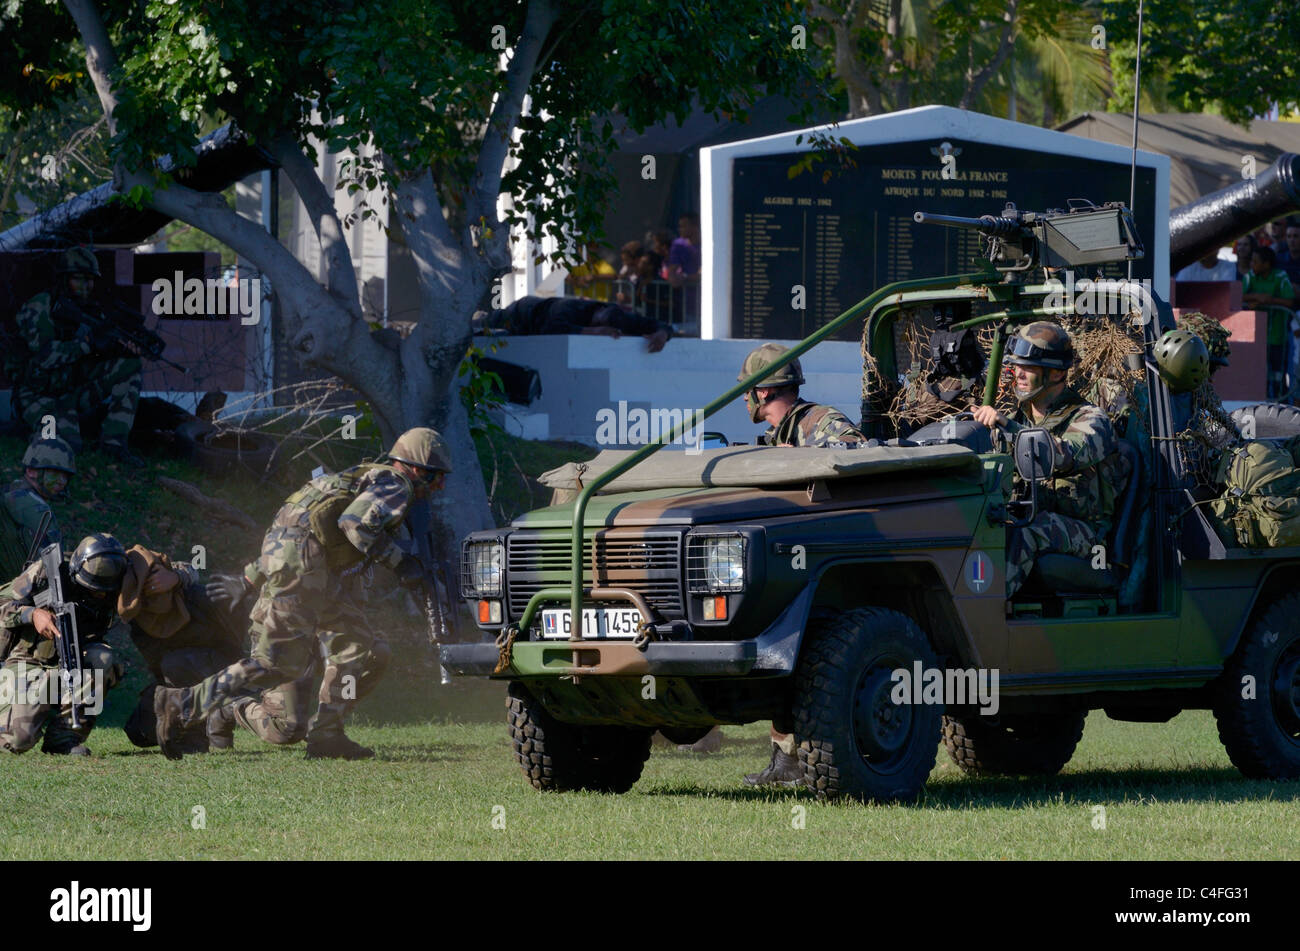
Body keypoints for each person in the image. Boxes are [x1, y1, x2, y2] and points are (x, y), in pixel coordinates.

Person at [153, 427, 452, 760]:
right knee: (274, 665)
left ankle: (327, 735)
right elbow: (355, 526)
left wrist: (251, 577)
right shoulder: (396, 484)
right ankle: (181, 704)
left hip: (310, 571)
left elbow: (292, 529)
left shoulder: (359, 477)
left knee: (356, 642)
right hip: (306, 571)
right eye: (437, 477)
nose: (440, 486)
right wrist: (402, 564)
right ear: (416, 468)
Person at [737, 343, 866, 787]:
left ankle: (794, 762)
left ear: (763, 391)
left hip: (829, 559)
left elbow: (855, 455)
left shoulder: (820, 421)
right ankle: (784, 761)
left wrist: (800, 459)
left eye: (749, 392)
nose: (745, 401)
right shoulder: (780, 434)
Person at [971, 322, 1123, 597]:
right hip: (1028, 516)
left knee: (1028, 532)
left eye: (1028, 367)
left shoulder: (1091, 419)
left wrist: (1009, 428)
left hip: (1090, 538)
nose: (1018, 374)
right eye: (1016, 366)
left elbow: (1064, 455)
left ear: (1055, 373)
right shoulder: (1018, 418)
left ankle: (987, 612)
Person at [10, 248, 144, 466]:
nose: (86, 286)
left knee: (129, 365)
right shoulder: (39, 307)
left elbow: (95, 358)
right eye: (79, 279)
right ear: (64, 279)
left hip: (71, 392)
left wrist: (120, 348)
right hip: (37, 394)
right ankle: (33, 429)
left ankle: (114, 444)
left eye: (90, 280)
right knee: (66, 447)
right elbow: (44, 357)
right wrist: (87, 344)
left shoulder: (90, 310)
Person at [0, 534, 128, 755]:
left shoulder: (121, 570)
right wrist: (32, 614)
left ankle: (64, 739)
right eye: (92, 588)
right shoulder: (46, 572)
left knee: (104, 660)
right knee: (16, 741)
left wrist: (180, 577)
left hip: (75, 657)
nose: (99, 594)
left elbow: (176, 569)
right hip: (28, 661)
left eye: (104, 591)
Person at [119, 547, 250, 755]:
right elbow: (157, 667)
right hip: (177, 679)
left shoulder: (201, 598)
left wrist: (178, 576)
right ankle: (196, 720)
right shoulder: (140, 622)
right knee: (140, 732)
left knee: (176, 663)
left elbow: (236, 639)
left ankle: (207, 730)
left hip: (224, 669)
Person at [473, 295, 671, 352]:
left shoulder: (617, 316)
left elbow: (657, 324)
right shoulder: (569, 307)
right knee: (486, 326)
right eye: (598, 321)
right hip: (523, 313)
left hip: (532, 326)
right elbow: (551, 329)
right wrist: (591, 331)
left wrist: (661, 335)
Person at [0, 437, 75, 582]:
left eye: (65, 476)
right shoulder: (35, 507)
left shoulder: (8, 493)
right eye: (54, 473)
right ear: (31, 471)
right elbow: (54, 568)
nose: (62, 481)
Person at [1241, 246, 1296, 399]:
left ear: (1267, 264)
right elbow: (1238, 295)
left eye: (1256, 261)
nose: (1252, 264)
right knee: (1258, 373)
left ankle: (1281, 404)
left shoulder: (1281, 276)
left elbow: (1290, 301)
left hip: (1277, 338)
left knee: (1278, 375)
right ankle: (1261, 403)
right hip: (1255, 339)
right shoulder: (1250, 276)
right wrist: (1257, 297)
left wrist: (1270, 300)